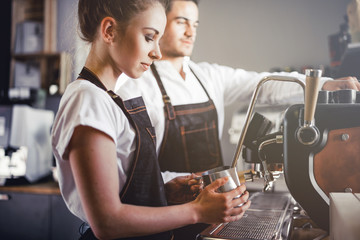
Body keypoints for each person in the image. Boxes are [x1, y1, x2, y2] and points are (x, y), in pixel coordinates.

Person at [51, 1, 251, 240]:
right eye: (149, 37)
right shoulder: (87, 100)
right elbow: (107, 222)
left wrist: (163, 188)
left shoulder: (110, 98)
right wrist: (197, 211)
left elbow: (122, 185)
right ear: (109, 31)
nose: (157, 53)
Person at [117, 0, 360, 178]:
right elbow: (133, 173)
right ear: (159, 23)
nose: (191, 32)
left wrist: (323, 85)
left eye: (195, 24)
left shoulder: (207, 76)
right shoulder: (136, 85)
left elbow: (263, 84)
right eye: (181, 22)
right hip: (168, 208)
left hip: (216, 201)